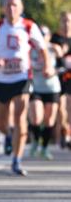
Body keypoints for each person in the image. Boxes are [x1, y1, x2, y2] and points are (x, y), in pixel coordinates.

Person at [0, 0, 47, 176]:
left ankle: (16, 160)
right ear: (3, 9)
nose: (11, 8)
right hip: (1, 79)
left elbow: (43, 49)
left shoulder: (29, 26)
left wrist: (46, 65)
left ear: (21, 8)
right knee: (1, 123)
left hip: (22, 77)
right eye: (7, 5)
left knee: (20, 115)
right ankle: (8, 135)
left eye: (15, 5)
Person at [28, 25, 61, 160]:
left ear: (48, 36)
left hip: (52, 87)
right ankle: (36, 140)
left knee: (49, 120)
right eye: (39, 34)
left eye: (44, 34)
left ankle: (45, 148)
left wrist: (53, 70)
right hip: (35, 87)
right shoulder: (30, 49)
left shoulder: (53, 49)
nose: (42, 37)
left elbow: (62, 64)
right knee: (36, 116)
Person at [50, 10, 71, 148]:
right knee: (61, 109)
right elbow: (45, 47)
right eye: (64, 21)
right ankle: (63, 135)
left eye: (68, 21)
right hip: (59, 77)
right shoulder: (55, 38)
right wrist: (54, 47)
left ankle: (67, 135)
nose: (66, 24)